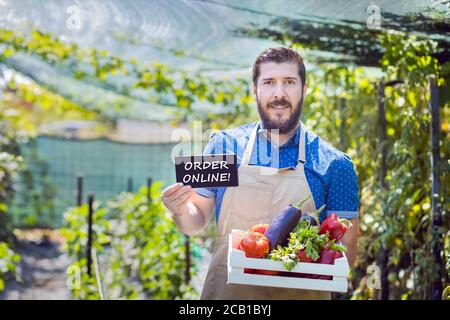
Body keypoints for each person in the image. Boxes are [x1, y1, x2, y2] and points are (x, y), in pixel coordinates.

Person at [162, 47, 359, 300]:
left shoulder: (335, 165)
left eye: (289, 82)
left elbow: (345, 253)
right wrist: (180, 209)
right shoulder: (223, 146)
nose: (279, 94)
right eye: (269, 83)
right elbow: (196, 220)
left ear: (304, 89)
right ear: (254, 90)